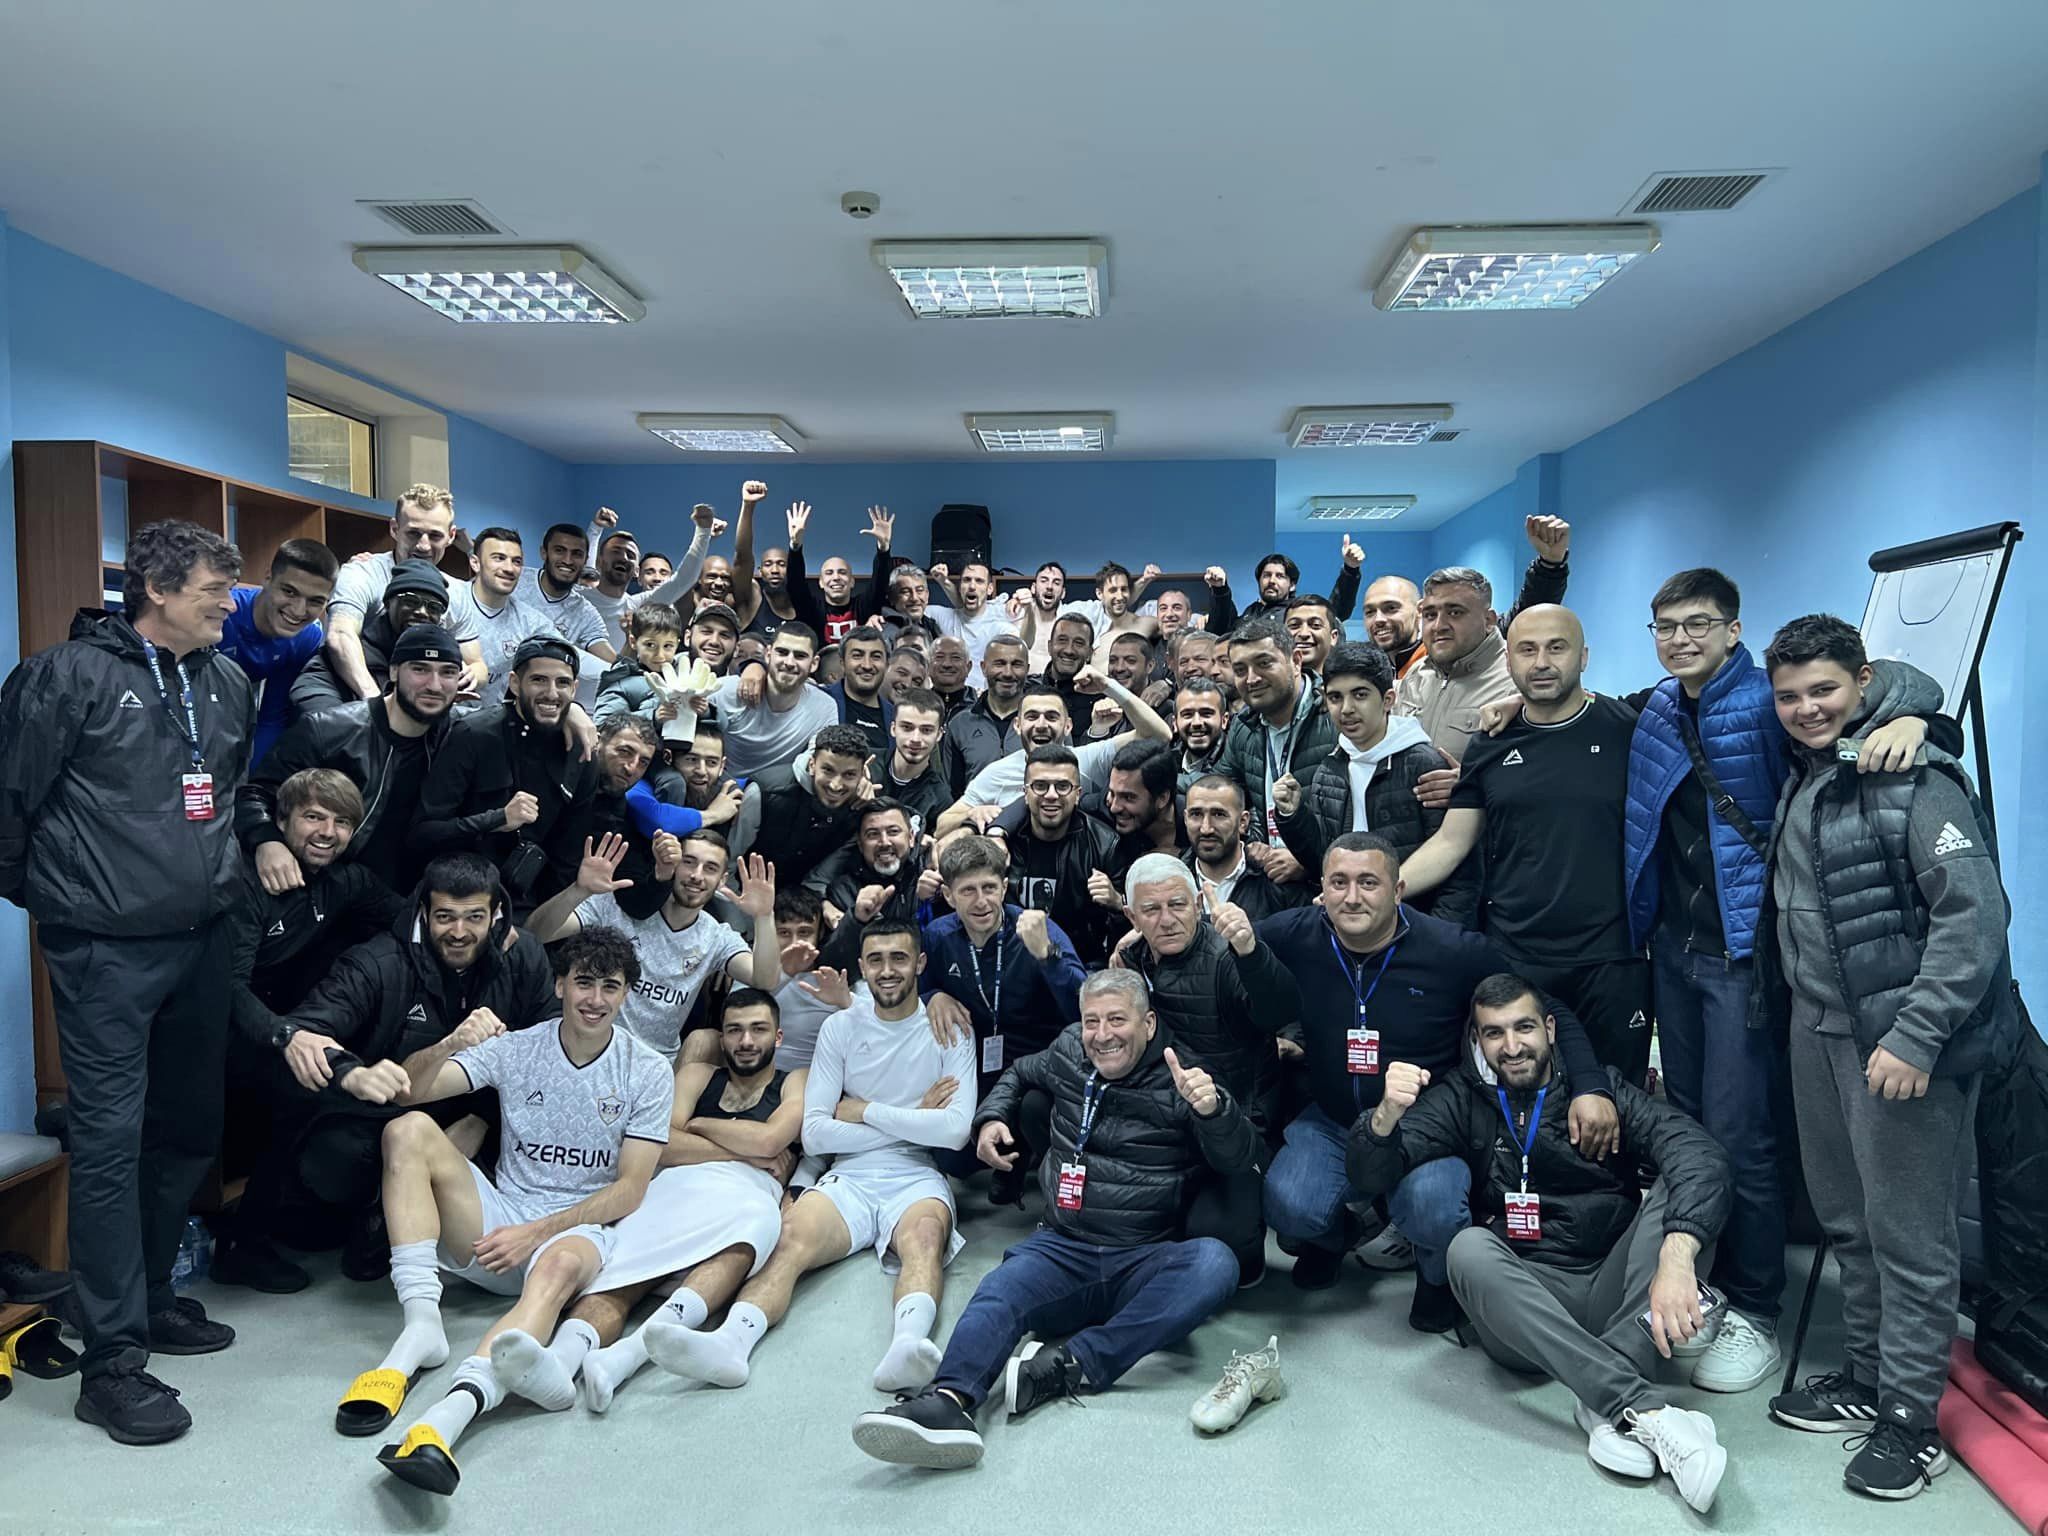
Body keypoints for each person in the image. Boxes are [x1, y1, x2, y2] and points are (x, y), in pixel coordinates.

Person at [1622, 572, 1944, 1393]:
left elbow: (1877, 686)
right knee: (1689, 1130)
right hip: (1673, 953)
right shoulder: (1658, 707)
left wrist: (1916, 713)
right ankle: (1703, 1279)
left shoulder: (1769, 701)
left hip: (1744, 959)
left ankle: (1757, 1308)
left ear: (1734, 630)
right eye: (1666, 626)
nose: (1681, 639)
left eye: (1699, 624)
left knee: (1743, 1137)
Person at [0, 519, 255, 1444]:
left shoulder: (227, 680)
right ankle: (110, 1363)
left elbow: (226, 794)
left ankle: (147, 1296)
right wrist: (62, 904)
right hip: (105, 949)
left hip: (203, 939)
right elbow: (9, 804)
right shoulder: (64, 677)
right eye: (213, 591)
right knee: (110, 1144)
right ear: (156, 590)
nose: (229, 606)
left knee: (187, 1129)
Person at [1755, 614, 2018, 1501]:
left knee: (1910, 1237)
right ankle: (1867, 1380)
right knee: (1849, 1223)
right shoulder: (1812, 773)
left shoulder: (1918, 775)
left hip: (1901, 1045)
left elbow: (1974, 916)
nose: (1806, 708)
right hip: (1818, 1033)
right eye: (1789, 696)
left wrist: (1916, 1034)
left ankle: (1911, 1420)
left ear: (1864, 681)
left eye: (1824, 690)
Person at [1349, 974, 1733, 1515]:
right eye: (1494, 1033)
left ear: (1550, 1029)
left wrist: (1675, 1256)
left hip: (1615, 1286)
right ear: (1477, 1040)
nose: (1512, 1046)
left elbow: (1700, 1154)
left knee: (1685, 1198)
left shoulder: (1600, 1089)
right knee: (1467, 1249)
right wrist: (1385, 1116)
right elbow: (1368, 1176)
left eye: (1524, 1028)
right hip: (1527, 1308)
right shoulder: (1462, 1097)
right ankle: (1637, 1401)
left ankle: (1604, 1400)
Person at [852, 970, 1255, 1467]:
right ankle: (948, 1401)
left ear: (1148, 1023)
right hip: (1063, 1246)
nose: (1102, 1035)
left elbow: (1238, 1159)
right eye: (1092, 1021)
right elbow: (1020, 1072)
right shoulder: (1069, 1050)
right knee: (999, 1290)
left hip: (1142, 1255)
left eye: (1117, 1020)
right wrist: (992, 1118)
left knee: (1214, 1264)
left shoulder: (1184, 1075)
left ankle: (1071, 1364)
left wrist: (1214, 1111)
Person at [360, 926, 672, 1498]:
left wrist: (536, 1232)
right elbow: (408, 1091)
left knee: (557, 1267)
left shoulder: (647, 1069)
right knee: (406, 1131)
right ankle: (421, 1327)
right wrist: (451, 1042)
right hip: (497, 1225)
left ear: (626, 993)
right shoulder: (518, 1047)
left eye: (610, 986)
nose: (595, 999)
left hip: (575, 1231)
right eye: (583, 982)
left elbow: (630, 1190)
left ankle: (448, 1418)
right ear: (560, 985)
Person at [1257, 834, 1619, 1317]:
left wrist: (1591, 1086)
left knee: (1434, 1210)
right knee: (1287, 1206)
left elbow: (1547, 1008)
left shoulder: (1451, 950)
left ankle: (1434, 1272)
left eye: (1369, 883)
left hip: (1428, 1128)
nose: (1352, 897)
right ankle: (1336, 1236)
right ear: (1321, 889)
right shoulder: (1297, 933)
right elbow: (1220, 948)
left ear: (1398, 890)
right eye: (1339, 883)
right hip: (1335, 1118)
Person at [639, 921, 976, 1393]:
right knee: (788, 1237)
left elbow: (955, 1132)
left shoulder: (949, 1029)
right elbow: (816, 1136)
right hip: (848, 1174)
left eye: (899, 958)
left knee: (925, 1237)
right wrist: (916, 1118)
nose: (887, 970)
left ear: (919, 963)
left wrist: (864, 1111)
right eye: (876, 960)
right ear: (862, 968)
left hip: (916, 1173)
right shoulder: (839, 1028)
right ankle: (731, 1342)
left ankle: (907, 1345)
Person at [266, 855, 559, 1281]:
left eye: (474, 917)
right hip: (388, 1112)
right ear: (424, 911)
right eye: (445, 916)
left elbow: (552, 1047)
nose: (459, 932)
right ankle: (376, 1215)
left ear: (496, 915)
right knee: (335, 1158)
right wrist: (351, 1071)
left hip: (483, 1115)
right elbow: (306, 1030)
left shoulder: (523, 954)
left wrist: (485, 1119)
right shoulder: (378, 961)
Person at [1397, 607, 1652, 1080]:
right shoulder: (1490, 741)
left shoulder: (1629, 728)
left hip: (1612, 957)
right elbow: (1452, 841)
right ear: (1509, 660)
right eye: (1527, 650)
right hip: (1517, 953)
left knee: (1615, 1096)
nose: (1541, 663)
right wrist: (1384, 888)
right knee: (1521, 1093)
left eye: (1557, 648)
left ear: (1584, 656)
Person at [542, 988, 807, 1413]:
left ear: (777, 1037)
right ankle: (559, 1360)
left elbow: (771, 1140)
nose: (745, 1041)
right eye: (734, 1030)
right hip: (677, 1185)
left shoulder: (795, 1081)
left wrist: (698, 1125)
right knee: (619, 1277)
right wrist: (743, 1147)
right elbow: (661, 1144)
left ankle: (623, 1359)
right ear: (721, 1037)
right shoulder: (696, 1075)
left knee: (753, 1229)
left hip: (747, 1194)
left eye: (758, 1030)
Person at [217, 768, 404, 1293]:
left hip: (280, 1022)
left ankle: (297, 1221)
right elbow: (227, 989)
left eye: (341, 822)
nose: (328, 832)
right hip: (218, 1030)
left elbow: (409, 915)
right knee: (304, 1087)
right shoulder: (249, 883)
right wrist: (285, 1037)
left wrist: (496, 926)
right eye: (313, 817)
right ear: (282, 822)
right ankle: (242, 1248)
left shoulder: (344, 881)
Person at [1117, 854, 1301, 1282]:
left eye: (1178, 905)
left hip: (1237, 1123)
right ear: (1131, 916)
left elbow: (1280, 1011)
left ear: (1199, 903)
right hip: (1165, 1118)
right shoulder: (1131, 958)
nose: (1166, 920)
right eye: (1151, 909)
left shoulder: (1225, 956)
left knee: (1225, 1246)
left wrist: (1251, 952)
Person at [527, 832, 782, 1063]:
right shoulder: (617, 905)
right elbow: (535, 933)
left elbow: (764, 979)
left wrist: (763, 916)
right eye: (688, 862)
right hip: (590, 1048)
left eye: (710, 868)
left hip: (656, 1063)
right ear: (671, 863)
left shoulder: (717, 936)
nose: (696, 875)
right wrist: (578, 890)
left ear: (722, 880)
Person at [243, 624, 464, 892]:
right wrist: (267, 841)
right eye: (420, 669)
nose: (434, 685)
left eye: (448, 672)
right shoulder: (327, 730)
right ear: (394, 671)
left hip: (409, 893)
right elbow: (257, 793)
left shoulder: (459, 735)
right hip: (323, 885)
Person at [1272, 641, 1474, 918]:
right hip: (1349, 922)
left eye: (1360, 695)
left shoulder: (1423, 765)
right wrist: (1292, 816)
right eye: (1335, 697)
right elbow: (1321, 860)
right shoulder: (1329, 769)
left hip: (1414, 924)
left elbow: (1459, 871)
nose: (1346, 709)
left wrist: (1441, 932)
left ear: (1388, 699)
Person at [920, 835, 1086, 1155]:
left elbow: (1082, 1008)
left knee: (1029, 1115)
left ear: (1004, 887)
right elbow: (916, 991)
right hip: (975, 1064)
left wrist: (1047, 956)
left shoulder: (1037, 930)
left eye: (989, 888)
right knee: (952, 1157)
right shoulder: (938, 936)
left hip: (1036, 1062)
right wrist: (933, 995)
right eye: (968, 890)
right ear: (949, 896)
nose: (982, 901)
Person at [412, 637, 597, 916]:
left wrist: (537, 925)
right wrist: (497, 820)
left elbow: (567, 858)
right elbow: (422, 834)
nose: (551, 693)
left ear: (574, 689)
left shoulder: (581, 754)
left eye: (562, 683)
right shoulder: (474, 735)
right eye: (538, 680)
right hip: (451, 895)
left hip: (523, 903)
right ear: (515, 683)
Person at [1391, 515, 1572, 761]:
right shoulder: (1416, 676)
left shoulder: (1520, 678)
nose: (1439, 625)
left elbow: (1548, 765)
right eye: (1430, 614)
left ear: (1489, 620)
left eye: (1455, 612)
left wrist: (1470, 780)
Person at [935, 674, 1171, 835]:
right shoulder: (996, 773)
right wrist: (971, 813)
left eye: (1051, 717)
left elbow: (1159, 735)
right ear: (1017, 725)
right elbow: (942, 825)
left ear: (1068, 726)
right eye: (1032, 716)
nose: (1041, 725)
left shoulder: (1087, 759)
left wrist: (1108, 685)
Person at [322, 484, 487, 699]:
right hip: (354, 692)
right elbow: (340, 634)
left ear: (451, 535)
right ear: (394, 529)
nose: (423, 546)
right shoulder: (362, 574)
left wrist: (471, 676)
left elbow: (477, 664)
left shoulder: (456, 592)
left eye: (435, 536)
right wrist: (376, 702)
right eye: (413, 533)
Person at [1218, 613, 1334, 884]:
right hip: (1272, 878)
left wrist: (1309, 859)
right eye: (1240, 670)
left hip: (1330, 880)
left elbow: (1356, 814)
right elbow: (1227, 791)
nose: (1251, 679)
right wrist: (1252, 841)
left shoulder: (1334, 714)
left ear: (1296, 661)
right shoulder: (1243, 726)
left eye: (1264, 663)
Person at [988, 746, 1122, 965]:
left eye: (1062, 786)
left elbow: (1127, 923)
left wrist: (1116, 902)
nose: (1051, 795)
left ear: (1077, 794)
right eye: (1040, 786)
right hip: (1010, 963)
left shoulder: (1104, 844)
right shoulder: (1003, 841)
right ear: (1025, 793)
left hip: (1080, 964)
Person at [217, 537, 337, 762]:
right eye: (289, 592)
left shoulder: (307, 638)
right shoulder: (221, 614)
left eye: (315, 601)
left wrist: (255, 780)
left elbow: (272, 718)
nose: (299, 610)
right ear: (268, 578)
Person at [448, 527, 595, 704]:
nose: (509, 568)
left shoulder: (530, 621)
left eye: (516, 561)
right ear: (475, 563)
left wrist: (617, 672)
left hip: (489, 717)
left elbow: (571, 654)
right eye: (499, 558)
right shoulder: (451, 596)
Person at [289, 559, 449, 720]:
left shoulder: (441, 669)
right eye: (411, 601)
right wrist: (378, 711)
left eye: (434, 607)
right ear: (388, 603)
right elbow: (318, 716)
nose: (422, 612)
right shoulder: (337, 662)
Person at [690, 623, 838, 779]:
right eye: (782, 652)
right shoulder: (723, 691)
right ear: (768, 655)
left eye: (800, 656)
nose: (789, 662)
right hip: (719, 781)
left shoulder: (824, 707)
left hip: (778, 787)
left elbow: (818, 763)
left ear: (814, 663)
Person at [582, 501, 720, 651]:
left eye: (630, 555)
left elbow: (683, 579)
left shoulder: (639, 606)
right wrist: (595, 528)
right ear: (599, 561)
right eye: (616, 551)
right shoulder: (578, 598)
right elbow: (586, 568)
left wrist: (703, 530)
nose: (623, 558)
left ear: (636, 571)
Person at [750, 725, 875, 888]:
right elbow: (729, 861)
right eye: (828, 770)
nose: (836, 785)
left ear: (862, 774)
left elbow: (823, 876)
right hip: (743, 889)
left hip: (804, 895)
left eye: (849, 775)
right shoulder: (764, 793)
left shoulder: (861, 805)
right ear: (811, 765)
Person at [1181, 774, 1308, 923]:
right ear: (1185, 819)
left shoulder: (1278, 883)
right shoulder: (1169, 880)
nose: (1206, 828)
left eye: (1219, 815)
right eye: (1196, 814)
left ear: (1243, 822)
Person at [807, 799, 933, 939]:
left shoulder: (932, 870)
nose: (884, 842)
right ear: (860, 844)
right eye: (873, 834)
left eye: (893, 832)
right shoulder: (843, 891)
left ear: (911, 837)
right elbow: (833, 950)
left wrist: (935, 898)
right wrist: (856, 920)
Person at [518, 521, 621, 668]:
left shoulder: (585, 613)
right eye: (559, 550)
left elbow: (608, 657)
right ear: (544, 553)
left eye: (577, 554)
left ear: (585, 560)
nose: (568, 560)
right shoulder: (516, 580)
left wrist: (632, 671)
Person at [943, 634, 1030, 786]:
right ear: (984, 668)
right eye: (999, 664)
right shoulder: (960, 725)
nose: (1008, 673)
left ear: (1027, 669)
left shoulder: (1045, 723)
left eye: (1016, 664)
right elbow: (951, 790)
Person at [869, 686, 953, 829]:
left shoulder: (939, 798)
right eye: (907, 728)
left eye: (926, 730)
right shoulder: (865, 766)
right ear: (893, 728)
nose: (915, 738)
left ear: (939, 734)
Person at [926, 558, 1020, 683]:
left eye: (979, 581)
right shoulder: (944, 616)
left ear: (990, 589)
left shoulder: (1002, 618)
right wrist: (943, 581)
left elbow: (1025, 643)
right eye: (967, 580)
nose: (972, 586)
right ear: (960, 587)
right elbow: (913, 607)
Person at [593, 602, 686, 722]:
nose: (660, 655)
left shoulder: (687, 673)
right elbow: (604, 722)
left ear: (677, 645)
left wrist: (705, 710)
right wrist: (652, 716)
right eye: (650, 645)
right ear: (633, 642)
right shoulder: (621, 681)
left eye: (667, 646)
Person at [1240, 541, 1361, 625]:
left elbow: (1336, 610)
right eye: (1267, 575)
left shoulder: (1300, 610)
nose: (1272, 581)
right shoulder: (1250, 612)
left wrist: (1350, 569)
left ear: (1292, 585)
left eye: (1280, 576)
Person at [824, 624, 894, 756]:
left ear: (887, 665)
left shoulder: (897, 717)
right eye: (857, 656)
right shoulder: (821, 701)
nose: (867, 665)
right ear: (842, 663)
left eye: (876, 656)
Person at [1172, 678, 1231, 794]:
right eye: (1187, 715)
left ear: (1224, 720)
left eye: (1206, 714)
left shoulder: (1237, 759)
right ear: (1175, 723)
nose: (1196, 723)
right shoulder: (1168, 761)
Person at [1360, 575, 1425, 678]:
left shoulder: (1440, 666)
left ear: (1420, 610)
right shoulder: (1367, 674)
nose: (1378, 619)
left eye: (1391, 608)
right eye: (1370, 612)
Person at [1283, 593, 1343, 677]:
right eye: (1294, 625)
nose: (1304, 633)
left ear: (1333, 637)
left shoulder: (1346, 682)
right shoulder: (1267, 682)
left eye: (1315, 625)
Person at [927, 636, 978, 718]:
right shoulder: (917, 704)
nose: (947, 664)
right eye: (939, 657)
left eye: (955, 658)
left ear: (968, 667)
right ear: (928, 665)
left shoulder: (981, 706)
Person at [687, 599, 741, 676]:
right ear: (688, 637)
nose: (714, 641)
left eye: (724, 635)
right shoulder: (668, 671)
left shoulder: (740, 683)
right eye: (706, 632)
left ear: (736, 649)